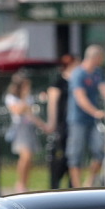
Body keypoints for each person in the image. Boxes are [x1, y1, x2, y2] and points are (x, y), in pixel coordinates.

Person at [67, 44, 105, 188]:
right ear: (96, 57)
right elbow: (80, 98)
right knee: (76, 153)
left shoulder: (97, 73)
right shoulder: (78, 74)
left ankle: (89, 183)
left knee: (100, 149)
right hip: (78, 120)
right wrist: (96, 112)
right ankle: (76, 186)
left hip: (93, 120)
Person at [4, 72, 48, 193]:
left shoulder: (29, 98)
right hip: (20, 128)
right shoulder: (11, 98)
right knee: (25, 156)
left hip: (29, 128)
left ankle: (25, 182)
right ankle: (20, 182)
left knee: (30, 158)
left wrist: (43, 125)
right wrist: (24, 97)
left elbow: (31, 114)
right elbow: (18, 110)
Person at [43, 54, 76, 189]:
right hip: (63, 124)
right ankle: (55, 183)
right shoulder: (58, 82)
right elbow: (52, 103)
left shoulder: (76, 82)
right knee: (62, 155)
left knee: (72, 155)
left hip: (73, 123)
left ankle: (71, 183)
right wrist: (52, 122)